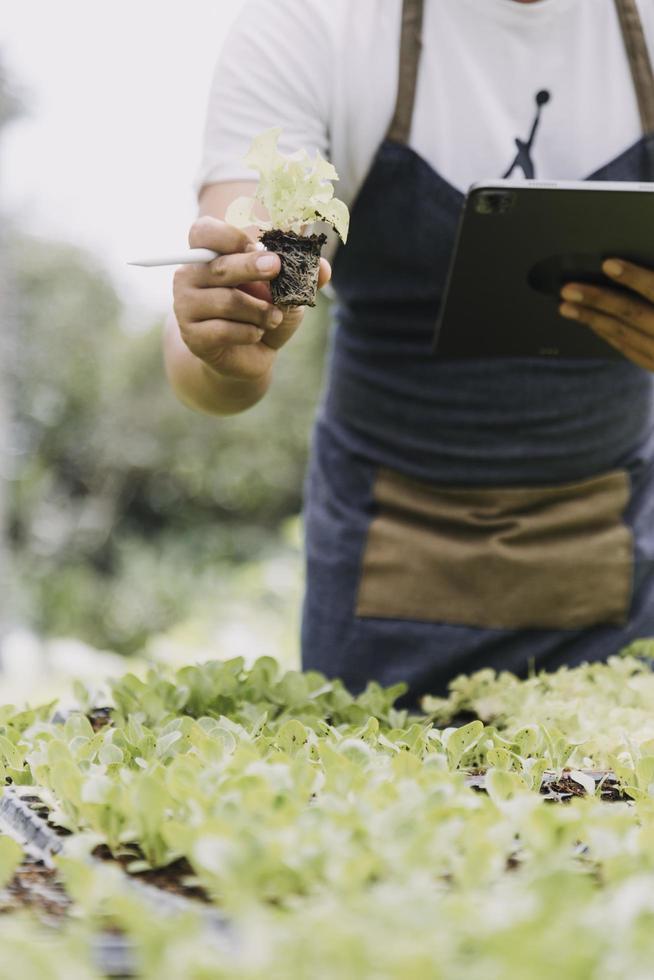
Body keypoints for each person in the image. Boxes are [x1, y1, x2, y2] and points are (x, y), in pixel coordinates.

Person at [167, 0, 654, 707]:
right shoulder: (316, 24)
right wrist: (232, 340)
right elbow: (216, 350)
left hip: (618, 566)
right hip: (387, 577)